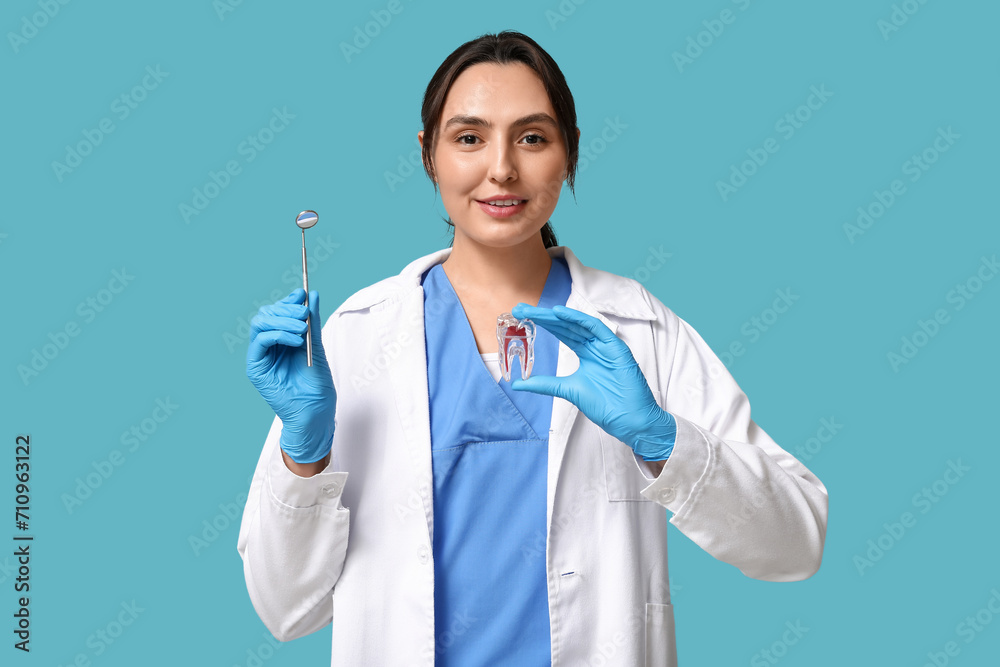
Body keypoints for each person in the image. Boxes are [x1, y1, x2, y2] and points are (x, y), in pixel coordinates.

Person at [237, 30, 828, 666]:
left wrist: (662, 441)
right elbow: (285, 610)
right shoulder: (358, 336)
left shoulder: (638, 328)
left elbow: (796, 542)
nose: (501, 168)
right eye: (469, 138)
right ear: (428, 155)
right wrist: (305, 453)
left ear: (569, 153)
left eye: (533, 137)